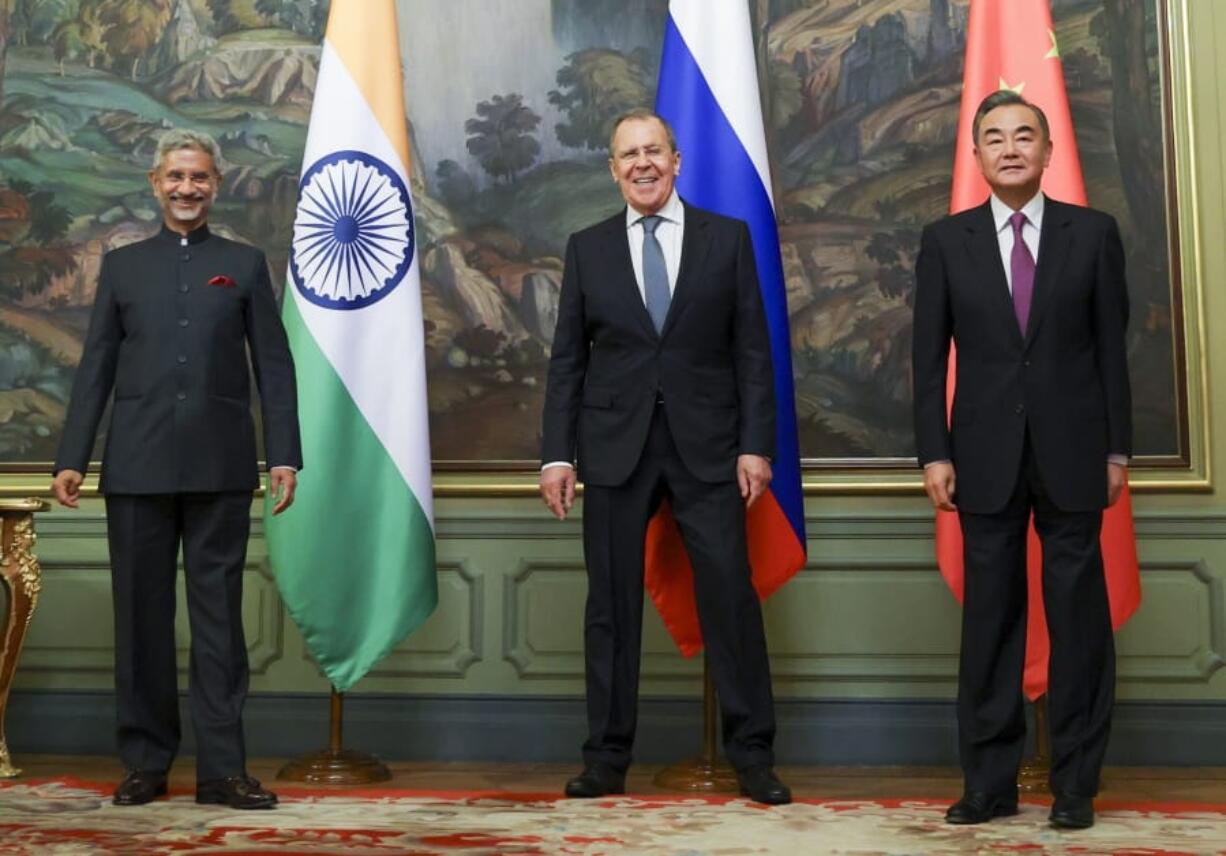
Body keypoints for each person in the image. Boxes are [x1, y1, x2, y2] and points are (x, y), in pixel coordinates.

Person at [539, 108, 789, 806]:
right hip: (614, 452)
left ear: (676, 161)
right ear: (613, 169)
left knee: (730, 603)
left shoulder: (726, 239)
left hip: (710, 449)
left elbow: (752, 353)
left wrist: (755, 445)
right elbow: (567, 362)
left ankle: (754, 757)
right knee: (610, 611)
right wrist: (557, 455)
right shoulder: (587, 247)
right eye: (628, 155)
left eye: (654, 151)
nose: (643, 164)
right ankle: (607, 759)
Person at [51, 128, 302, 810]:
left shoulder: (245, 263)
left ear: (214, 186)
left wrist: (283, 454)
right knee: (141, 622)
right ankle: (145, 763)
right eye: (175, 177)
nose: (187, 188)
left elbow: (274, 369)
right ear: (156, 184)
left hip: (222, 468)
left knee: (219, 622)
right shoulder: (124, 267)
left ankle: (223, 771)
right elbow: (96, 366)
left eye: (199, 178)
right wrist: (72, 459)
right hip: (135, 467)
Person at [912, 91, 1131, 830]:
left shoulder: (1094, 235)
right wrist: (933, 453)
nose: (1009, 148)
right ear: (975, 155)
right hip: (980, 458)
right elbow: (925, 362)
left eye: (1023, 136)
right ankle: (988, 784)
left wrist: (1116, 449)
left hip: (1074, 456)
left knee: (1078, 625)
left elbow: (1112, 355)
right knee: (991, 626)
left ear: (1046, 151)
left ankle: (1075, 784)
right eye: (994, 138)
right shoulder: (946, 242)